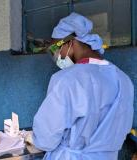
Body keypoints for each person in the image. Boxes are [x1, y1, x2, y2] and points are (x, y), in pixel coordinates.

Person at [32, 12, 134, 160]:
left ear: (69, 43)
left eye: (55, 49)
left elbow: (45, 138)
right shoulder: (124, 80)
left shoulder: (67, 79)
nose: (56, 57)